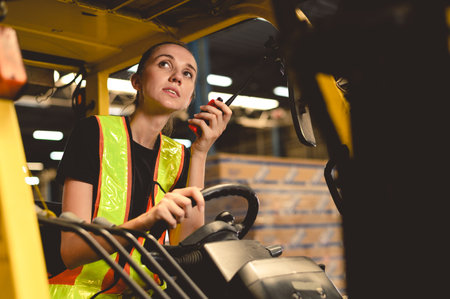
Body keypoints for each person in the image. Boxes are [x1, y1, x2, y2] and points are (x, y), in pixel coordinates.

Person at [48, 41, 232, 298]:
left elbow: (187, 247)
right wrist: (148, 220)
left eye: (187, 73)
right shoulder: (93, 133)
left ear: (190, 97)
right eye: (164, 64)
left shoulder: (179, 155)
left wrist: (200, 152)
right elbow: (71, 251)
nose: (177, 76)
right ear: (137, 81)